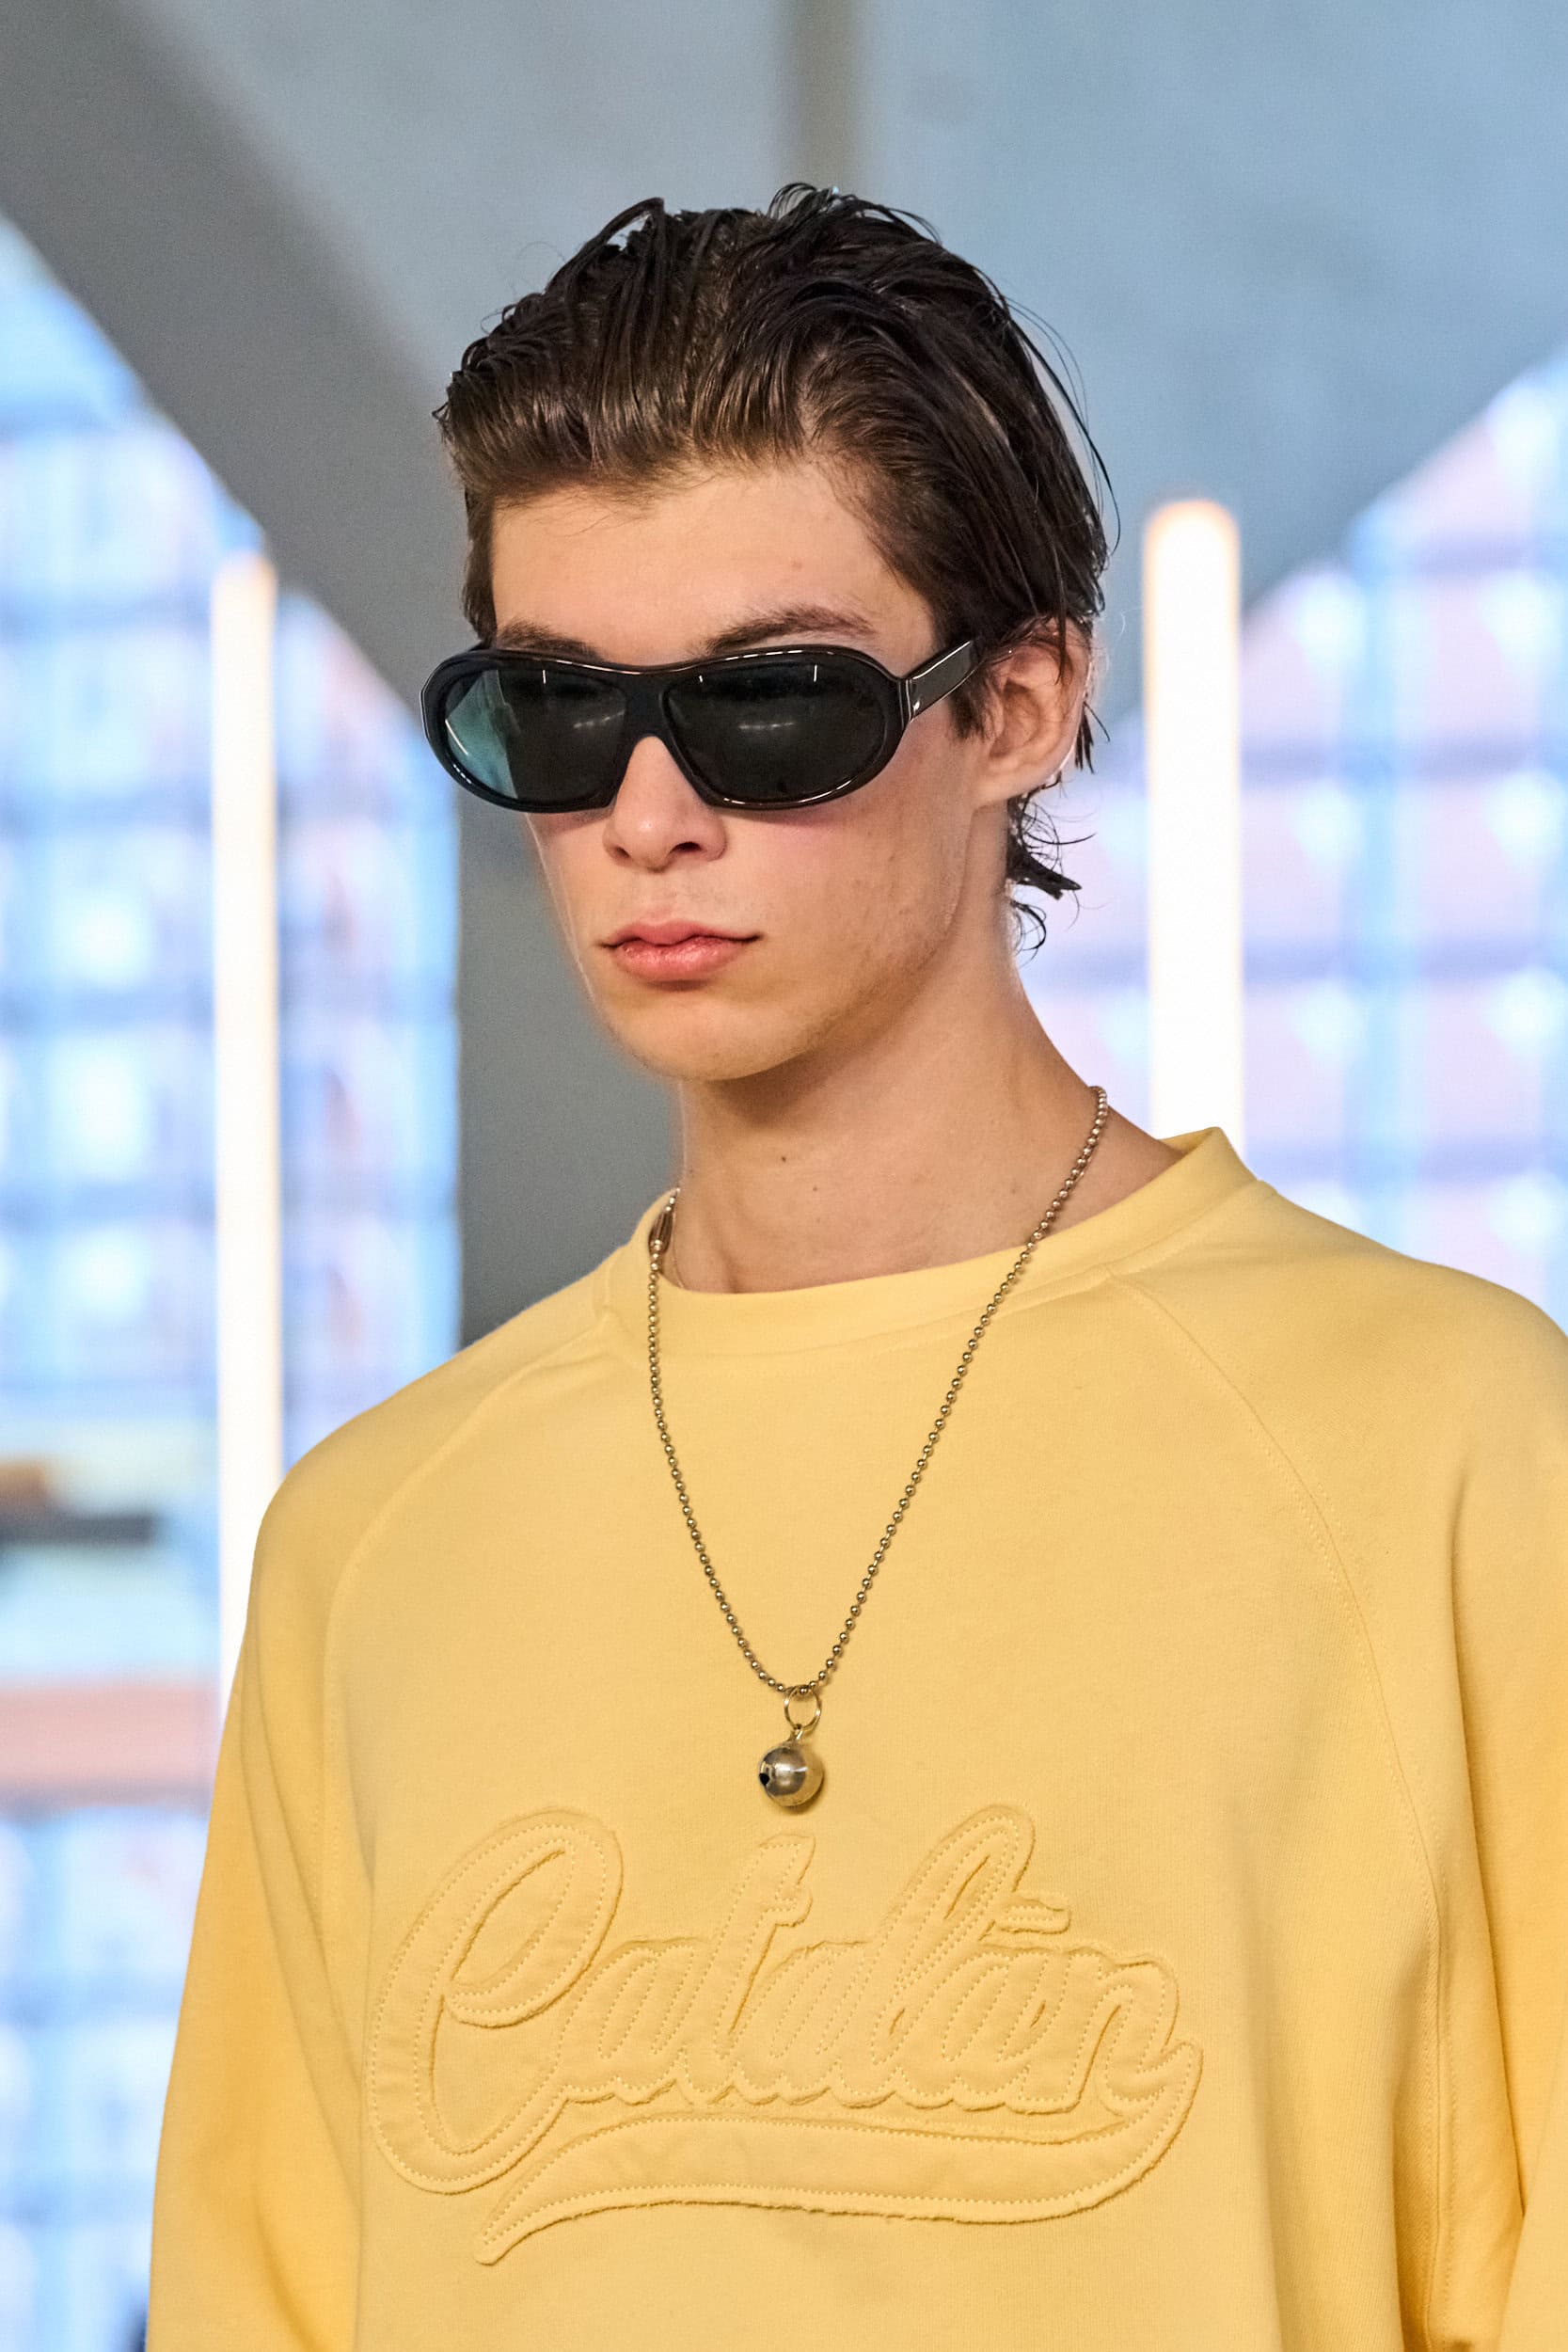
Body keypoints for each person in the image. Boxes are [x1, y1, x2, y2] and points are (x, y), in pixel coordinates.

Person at [147, 185, 1565, 2349]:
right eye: (555, 710)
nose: (648, 814)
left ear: (1020, 704)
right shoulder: (376, 1542)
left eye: (772, 704)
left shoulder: (1452, 1448)